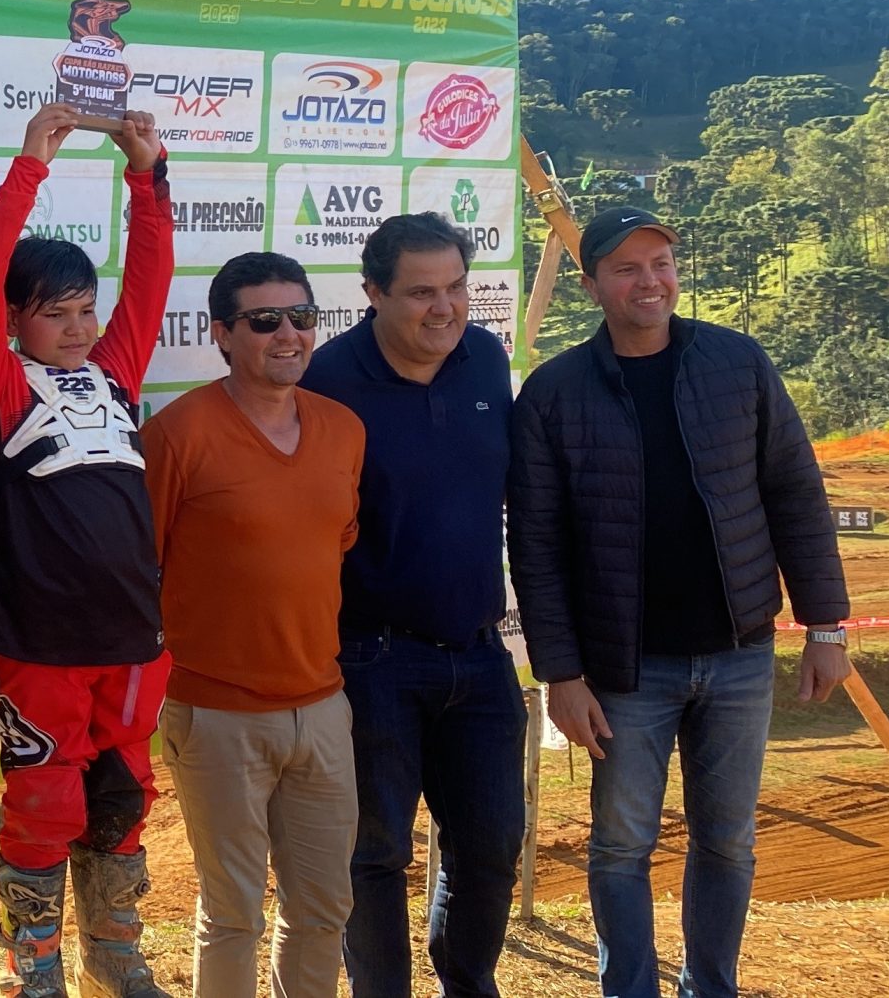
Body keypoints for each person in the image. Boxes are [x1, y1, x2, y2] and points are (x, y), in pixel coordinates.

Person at [509, 207, 851, 998]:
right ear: (591, 284)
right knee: (621, 846)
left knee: (727, 841)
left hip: (739, 653)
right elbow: (537, 547)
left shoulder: (737, 363)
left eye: (660, 261)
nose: (649, 280)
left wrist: (825, 626)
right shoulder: (556, 392)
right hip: (624, 668)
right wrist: (561, 674)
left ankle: (712, 987)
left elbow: (796, 495)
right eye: (626, 268)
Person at [0, 102, 176, 998]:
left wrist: (147, 173)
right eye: (56, 315)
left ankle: (114, 957)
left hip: (131, 635)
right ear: (16, 323)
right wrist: (28, 167)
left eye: (86, 310)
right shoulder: (1, 387)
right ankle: (31, 968)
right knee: (47, 800)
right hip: (35, 636)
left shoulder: (116, 376)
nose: (80, 327)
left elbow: (152, 278)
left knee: (123, 796)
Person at [299, 213, 525, 998]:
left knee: (492, 847)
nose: (445, 307)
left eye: (457, 287)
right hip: (371, 659)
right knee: (375, 854)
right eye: (421, 292)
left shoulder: (486, 360)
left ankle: (468, 983)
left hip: (480, 653)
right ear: (371, 294)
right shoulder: (326, 379)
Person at [147, 252, 363, 998]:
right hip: (216, 715)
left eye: (302, 317)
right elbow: (142, 564)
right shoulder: (177, 434)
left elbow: (329, 545)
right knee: (232, 912)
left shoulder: (343, 430)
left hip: (323, 709)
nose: (288, 334)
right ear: (222, 334)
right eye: (264, 320)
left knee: (325, 908)